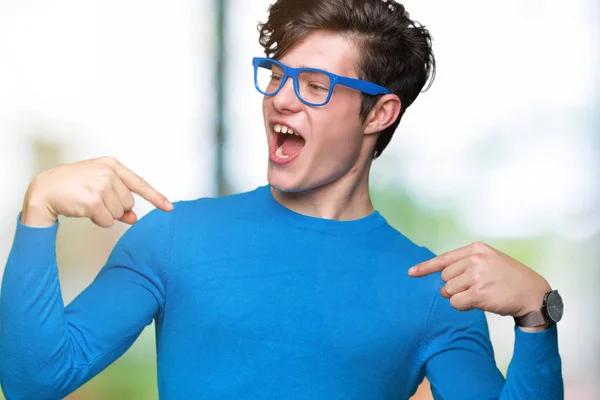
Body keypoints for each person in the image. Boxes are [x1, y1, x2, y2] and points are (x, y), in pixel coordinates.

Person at [0, 0, 564, 399]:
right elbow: (35, 382)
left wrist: (537, 319)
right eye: (275, 75)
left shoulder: (433, 289)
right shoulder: (174, 236)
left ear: (381, 113)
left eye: (315, 86)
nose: (281, 101)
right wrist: (38, 210)